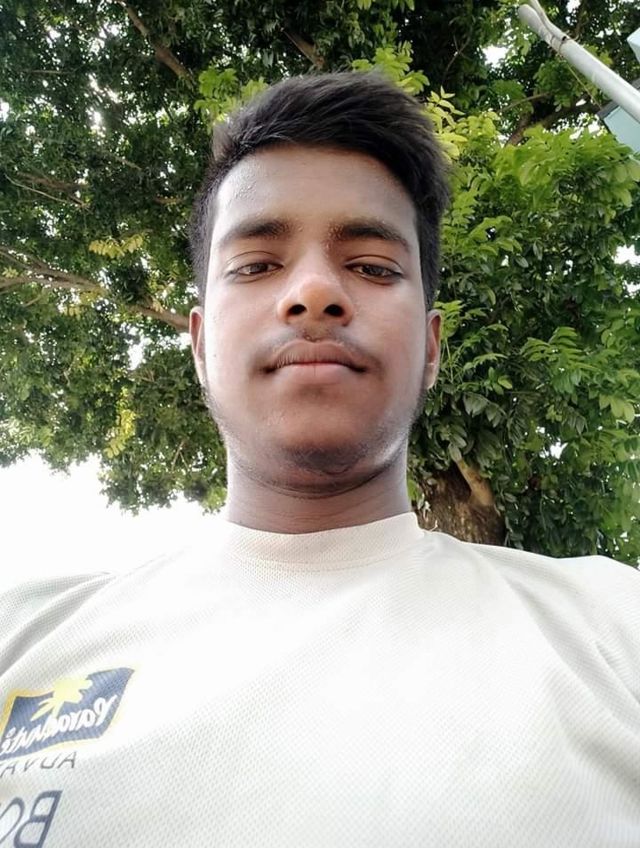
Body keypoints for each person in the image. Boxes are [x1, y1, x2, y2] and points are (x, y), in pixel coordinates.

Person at [0, 72, 638, 848]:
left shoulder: (613, 625)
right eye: (255, 265)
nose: (312, 292)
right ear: (199, 345)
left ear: (431, 348)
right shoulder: (25, 638)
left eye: (371, 266)